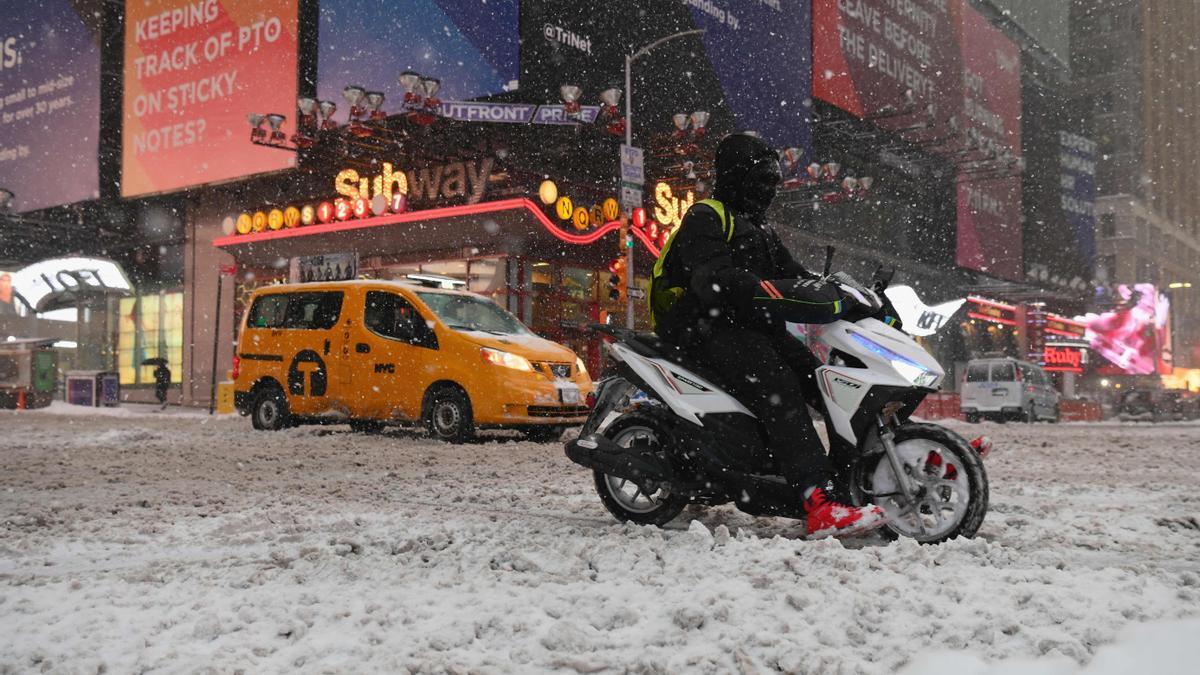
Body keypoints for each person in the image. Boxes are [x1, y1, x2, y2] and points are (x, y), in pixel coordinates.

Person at [650, 132, 894, 539]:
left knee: (824, 379)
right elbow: (714, 280)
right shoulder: (707, 216)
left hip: (748, 327)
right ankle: (817, 500)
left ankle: (875, 462)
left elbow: (797, 275)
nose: (768, 192)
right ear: (737, 177)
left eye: (772, 183)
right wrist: (760, 289)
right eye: (761, 181)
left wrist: (841, 293)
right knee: (780, 389)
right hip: (703, 328)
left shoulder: (759, 228)